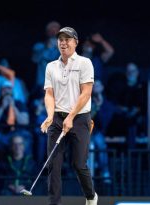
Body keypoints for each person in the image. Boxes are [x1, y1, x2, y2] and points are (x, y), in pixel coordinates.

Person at [40, 27, 97, 205]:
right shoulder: (51, 66)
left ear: (76, 42)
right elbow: (49, 94)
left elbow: (86, 94)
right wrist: (50, 116)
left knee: (78, 164)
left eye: (68, 39)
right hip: (57, 118)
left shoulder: (84, 63)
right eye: (60, 39)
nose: (63, 43)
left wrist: (71, 117)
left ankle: (91, 196)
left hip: (80, 118)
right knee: (53, 165)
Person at [32, 21, 61, 88]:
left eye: (56, 30)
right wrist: (46, 47)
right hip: (43, 83)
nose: (54, 33)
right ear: (47, 32)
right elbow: (34, 60)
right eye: (51, 30)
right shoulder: (38, 46)